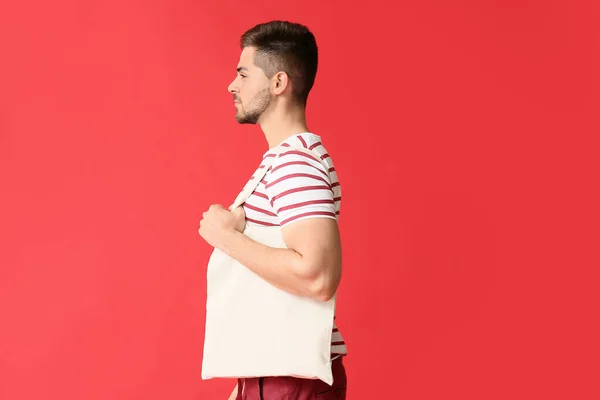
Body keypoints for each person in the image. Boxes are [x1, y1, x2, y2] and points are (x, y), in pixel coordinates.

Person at [198, 20, 347, 400]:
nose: (232, 86)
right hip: (273, 379)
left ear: (278, 83)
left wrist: (225, 237)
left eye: (243, 74)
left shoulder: (296, 165)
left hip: (290, 382)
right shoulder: (282, 161)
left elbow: (317, 277)